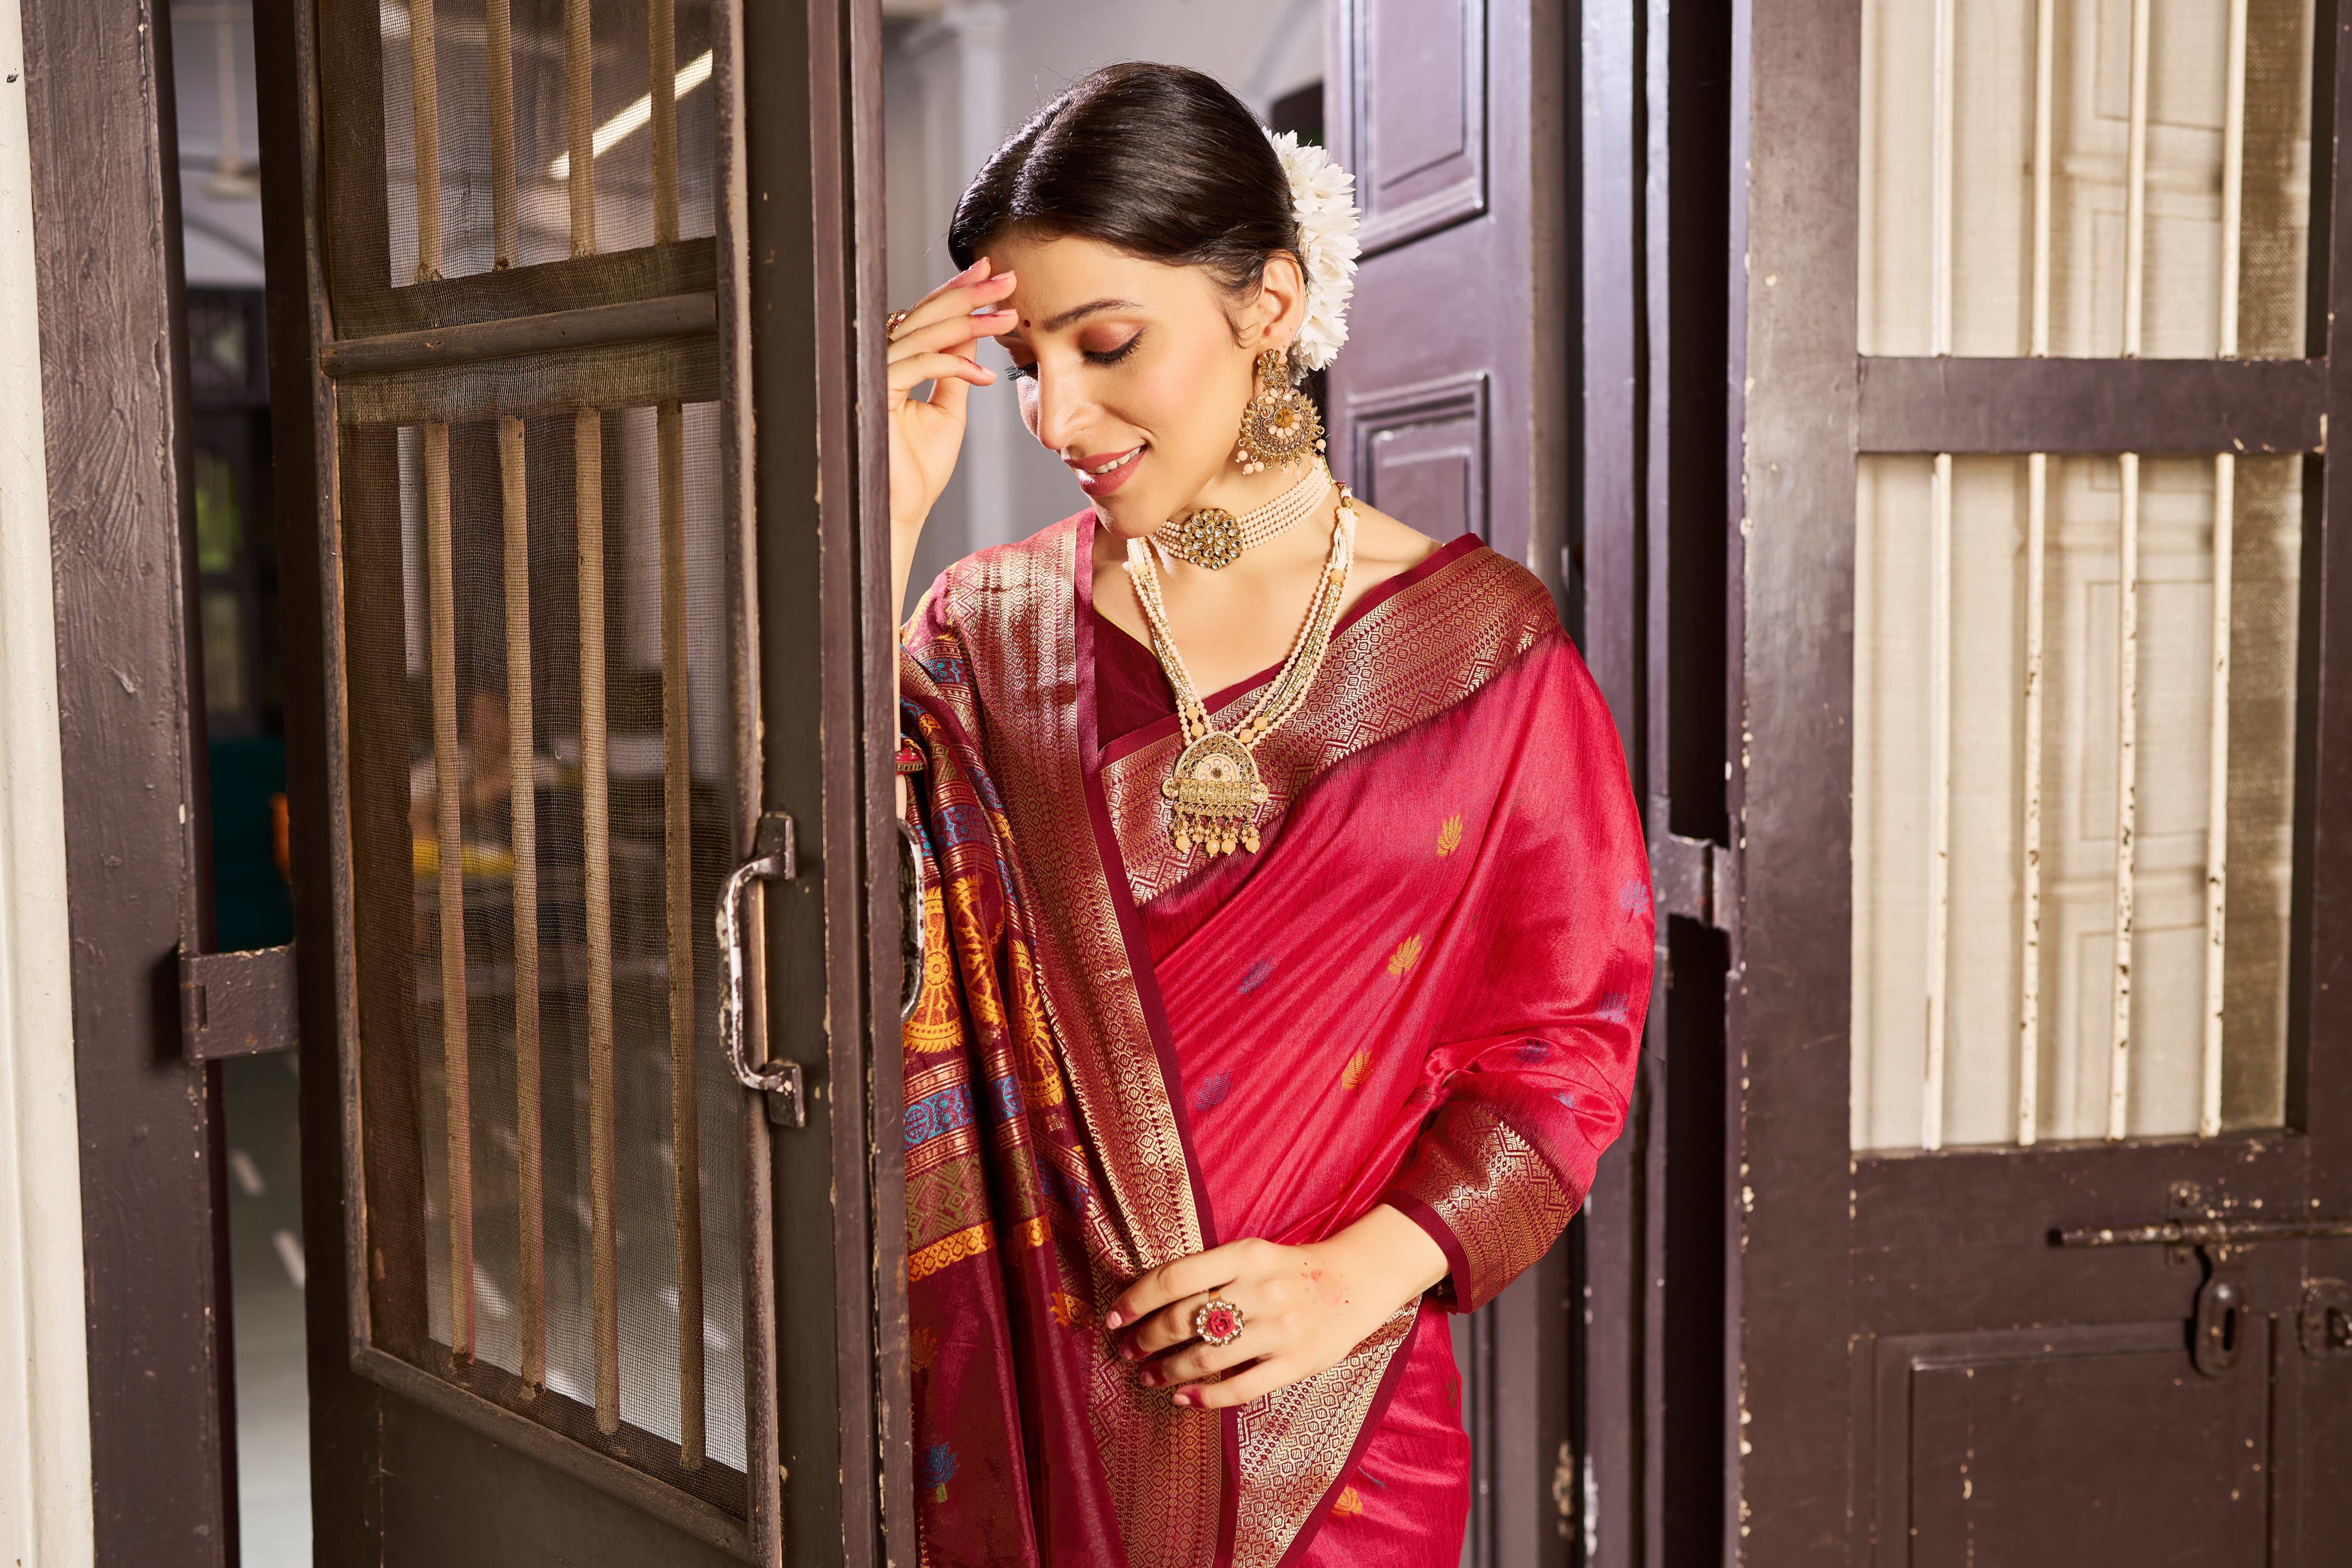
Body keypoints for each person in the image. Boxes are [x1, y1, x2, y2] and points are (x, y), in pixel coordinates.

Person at [889, 62, 1651, 1568]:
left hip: (1338, 1427)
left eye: (1107, 345)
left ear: (1270, 302)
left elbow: (1569, 1041)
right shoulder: (982, 633)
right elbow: (836, 940)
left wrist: (1356, 1278)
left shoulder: (1481, 653)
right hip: (1029, 1417)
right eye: (1026, 358)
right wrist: (881, 519)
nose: (1054, 412)